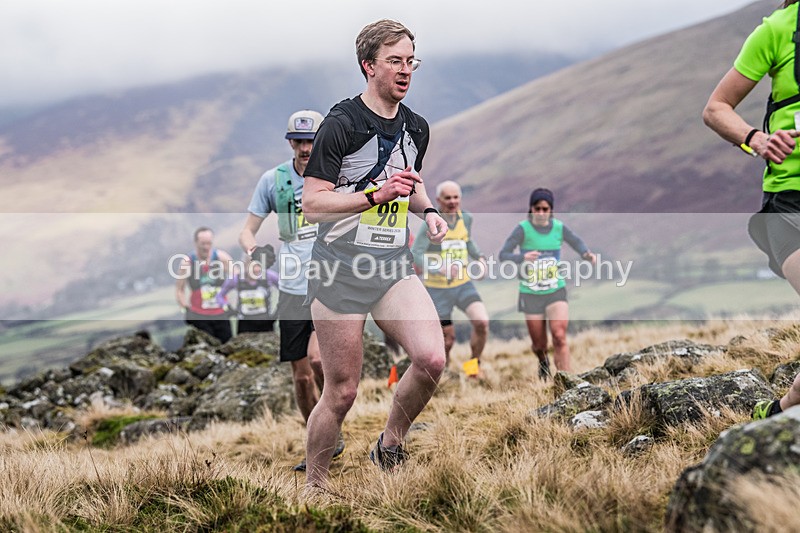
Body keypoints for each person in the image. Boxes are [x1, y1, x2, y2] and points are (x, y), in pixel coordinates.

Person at [301, 19, 449, 488]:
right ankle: (315, 487)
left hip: (390, 270)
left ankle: (389, 443)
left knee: (432, 360)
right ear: (369, 66)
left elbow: (411, 187)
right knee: (341, 393)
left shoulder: (416, 129)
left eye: (411, 61)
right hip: (339, 273)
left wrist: (427, 213)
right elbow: (313, 203)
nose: (405, 70)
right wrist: (373, 197)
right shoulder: (340, 125)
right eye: (394, 61)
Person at [703, 0, 800, 418]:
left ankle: (780, 411)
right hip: (789, 204)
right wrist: (756, 139)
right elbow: (715, 109)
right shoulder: (776, 29)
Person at [238, 109, 344, 471]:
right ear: (290, 142)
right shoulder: (274, 180)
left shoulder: (335, 176)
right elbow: (247, 231)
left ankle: (331, 429)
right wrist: (254, 252)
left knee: (318, 360)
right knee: (300, 377)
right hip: (290, 287)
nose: (305, 148)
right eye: (298, 141)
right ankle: (318, 441)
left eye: (311, 141)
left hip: (327, 282)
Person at [499, 188, 595, 379]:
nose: (541, 213)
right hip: (530, 292)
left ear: (551, 210)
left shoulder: (559, 228)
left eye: (545, 209)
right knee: (539, 345)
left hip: (555, 290)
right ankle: (543, 361)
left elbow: (575, 241)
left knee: (559, 337)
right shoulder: (522, 229)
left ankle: (566, 383)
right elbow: (503, 255)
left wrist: (586, 254)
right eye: (537, 208)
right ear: (531, 209)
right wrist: (522, 257)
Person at [411, 180, 489, 372]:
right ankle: (444, 374)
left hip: (463, 285)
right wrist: (439, 267)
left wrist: (479, 258)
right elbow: (415, 253)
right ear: (438, 200)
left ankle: (473, 368)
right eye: (448, 198)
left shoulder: (466, 218)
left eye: (456, 197)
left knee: (482, 322)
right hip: (437, 289)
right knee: (447, 340)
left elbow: (467, 241)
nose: (453, 202)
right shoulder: (430, 224)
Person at [175, 226, 234, 343]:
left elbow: (237, 281)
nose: (206, 247)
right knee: (207, 348)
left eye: (209, 243)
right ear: (196, 243)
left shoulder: (222, 258)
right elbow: (179, 289)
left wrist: (231, 302)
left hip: (220, 314)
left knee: (227, 346)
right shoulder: (188, 262)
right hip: (199, 315)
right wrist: (185, 308)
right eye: (203, 244)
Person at [216, 254, 279, 333]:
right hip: (245, 323)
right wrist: (228, 308)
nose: (256, 269)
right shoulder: (236, 279)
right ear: (245, 266)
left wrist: (277, 313)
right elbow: (219, 296)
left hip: (266, 322)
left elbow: (286, 292)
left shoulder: (269, 276)